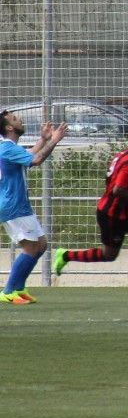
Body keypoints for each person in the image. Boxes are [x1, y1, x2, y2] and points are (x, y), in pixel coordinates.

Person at [53, 130, 128, 296]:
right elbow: (118, 190)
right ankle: (65, 255)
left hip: (124, 209)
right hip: (111, 214)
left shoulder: (123, 154)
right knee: (109, 255)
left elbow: (112, 181)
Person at [0, 109, 68, 304]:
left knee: (41, 245)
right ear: (9, 128)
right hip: (13, 206)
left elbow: (29, 154)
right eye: (14, 119)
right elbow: (37, 160)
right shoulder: (6, 148)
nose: (19, 119)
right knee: (30, 248)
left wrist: (43, 139)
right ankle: (8, 291)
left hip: (20, 205)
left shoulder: (10, 147)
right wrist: (54, 140)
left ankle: (19, 288)